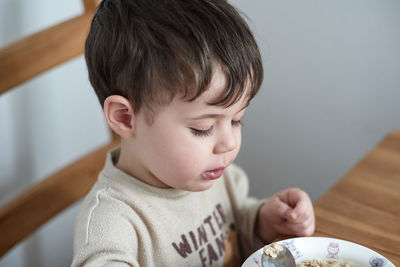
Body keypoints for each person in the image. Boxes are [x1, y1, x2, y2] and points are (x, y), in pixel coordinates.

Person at [72, 0, 315, 266]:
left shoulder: (211, 175)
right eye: (203, 129)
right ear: (125, 118)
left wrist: (261, 221)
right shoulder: (112, 221)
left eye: (236, 120)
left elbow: (230, 232)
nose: (229, 143)